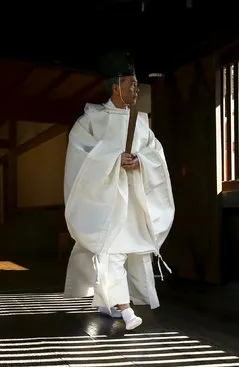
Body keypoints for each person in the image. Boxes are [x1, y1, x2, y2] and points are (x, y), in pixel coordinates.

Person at [62, 51, 175, 330]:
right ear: (116, 86)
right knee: (111, 251)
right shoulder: (90, 121)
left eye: (136, 85)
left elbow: (155, 154)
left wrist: (141, 162)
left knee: (125, 251)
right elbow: (81, 156)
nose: (136, 89)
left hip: (133, 200)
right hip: (105, 199)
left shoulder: (142, 123)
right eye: (131, 84)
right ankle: (125, 311)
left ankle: (106, 302)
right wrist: (112, 161)